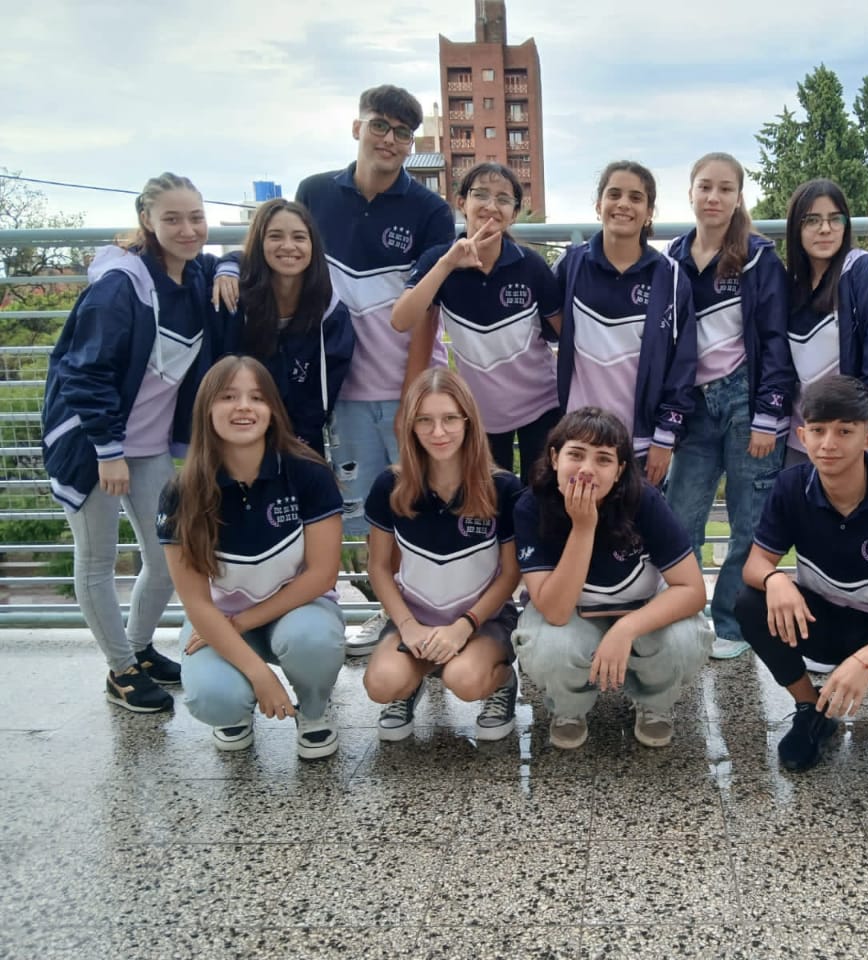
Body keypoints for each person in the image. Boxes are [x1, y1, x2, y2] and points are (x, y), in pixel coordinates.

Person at [216, 84, 458, 656]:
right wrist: (227, 261)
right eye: (380, 126)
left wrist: (412, 396)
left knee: (421, 505)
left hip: (410, 389)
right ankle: (389, 616)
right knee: (370, 513)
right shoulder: (315, 193)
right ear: (357, 128)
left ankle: (426, 618)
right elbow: (277, 244)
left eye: (402, 132)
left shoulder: (429, 211)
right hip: (341, 390)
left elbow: (428, 306)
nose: (390, 140)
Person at [41, 173, 228, 713]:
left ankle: (140, 649)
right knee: (97, 558)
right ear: (147, 220)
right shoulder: (119, 287)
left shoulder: (197, 275)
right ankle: (120, 669)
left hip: (149, 447)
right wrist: (108, 451)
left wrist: (231, 267)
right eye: (172, 219)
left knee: (168, 556)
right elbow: (84, 372)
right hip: (90, 444)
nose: (188, 229)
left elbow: (233, 260)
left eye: (196, 217)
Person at [735, 375, 868, 772]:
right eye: (818, 431)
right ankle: (811, 709)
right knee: (750, 603)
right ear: (802, 436)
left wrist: (867, 661)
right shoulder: (791, 486)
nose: (828, 444)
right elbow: (755, 565)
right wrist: (775, 579)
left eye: (844, 431)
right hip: (826, 621)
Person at [158, 356, 346, 758]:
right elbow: (196, 603)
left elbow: (322, 575)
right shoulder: (181, 492)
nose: (244, 407)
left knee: (313, 641)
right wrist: (261, 676)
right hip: (218, 618)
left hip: (295, 610)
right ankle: (235, 712)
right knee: (213, 697)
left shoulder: (308, 474)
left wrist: (242, 621)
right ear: (206, 409)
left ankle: (314, 710)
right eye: (228, 397)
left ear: (272, 410)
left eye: (257, 398)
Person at [511, 408, 713, 750]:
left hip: (641, 607)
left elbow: (692, 590)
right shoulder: (532, 506)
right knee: (551, 648)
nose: (587, 469)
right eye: (576, 454)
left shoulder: (644, 500)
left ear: (619, 470)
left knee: (684, 640)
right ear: (555, 458)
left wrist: (625, 629)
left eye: (603, 459)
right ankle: (569, 709)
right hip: (572, 614)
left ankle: (654, 702)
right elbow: (555, 611)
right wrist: (583, 527)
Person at [663, 152, 793, 661]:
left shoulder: (758, 258)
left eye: (724, 189)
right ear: (690, 193)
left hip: (746, 401)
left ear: (739, 197)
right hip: (693, 405)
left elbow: (776, 339)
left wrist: (768, 415)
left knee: (748, 520)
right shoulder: (673, 258)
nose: (713, 197)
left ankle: (733, 624)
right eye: (704, 187)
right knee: (680, 518)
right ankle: (683, 618)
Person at [361, 368, 523, 742]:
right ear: (411, 426)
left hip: (483, 620)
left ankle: (501, 681)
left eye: (450, 418)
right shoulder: (390, 485)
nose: (438, 432)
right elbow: (379, 567)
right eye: (425, 420)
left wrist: (464, 625)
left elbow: (510, 574)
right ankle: (409, 683)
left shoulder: (502, 488)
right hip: (415, 617)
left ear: (468, 421)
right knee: (382, 684)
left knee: (464, 680)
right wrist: (407, 625)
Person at [390, 162, 561, 484]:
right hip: (481, 413)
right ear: (461, 203)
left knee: (541, 495)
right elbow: (402, 320)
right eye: (480, 195)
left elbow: (567, 333)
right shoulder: (439, 260)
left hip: (541, 405)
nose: (491, 206)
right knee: (490, 497)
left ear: (514, 213)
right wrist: (448, 263)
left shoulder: (530, 266)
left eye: (503, 199)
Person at [553, 161, 697, 487]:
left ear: (649, 212)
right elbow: (540, 330)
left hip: (640, 445)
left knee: (634, 522)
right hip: (578, 442)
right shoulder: (570, 265)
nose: (623, 204)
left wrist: (665, 437)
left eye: (635, 197)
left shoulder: (671, 277)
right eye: (614, 194)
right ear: (598, 205)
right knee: (575, 517)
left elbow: (683, 365)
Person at [783, 180, 868, 466]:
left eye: (835, 219)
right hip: (803, 438)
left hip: (855, 439)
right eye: (812, 220)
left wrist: (863, 427)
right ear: (796, 228)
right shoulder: (791, 285)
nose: (825, 229)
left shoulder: (865, 271)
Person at [223, 198, 354, 456]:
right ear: (259, 243)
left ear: (313, 245)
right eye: (275, 236)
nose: (288, 246)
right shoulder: (236, 303)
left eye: (299, 237)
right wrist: (226, 265)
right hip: (238, 433)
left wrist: (296, 444)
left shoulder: (331, 313)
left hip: (302, 441)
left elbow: (322, 396)